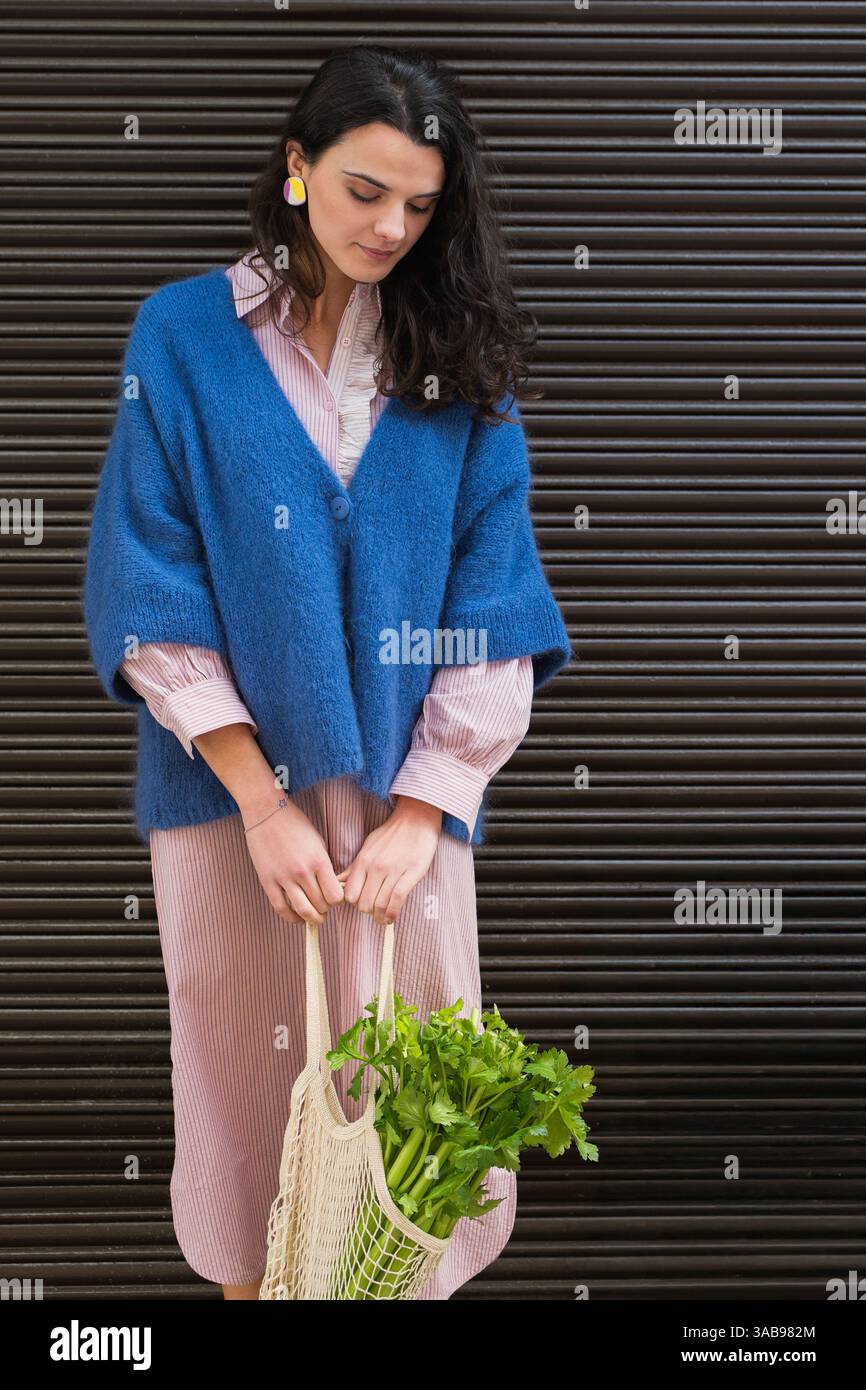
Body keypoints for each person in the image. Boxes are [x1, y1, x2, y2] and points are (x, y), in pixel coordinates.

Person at [82, 43, 572, 1300]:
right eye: (364, 190)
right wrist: (259, 804)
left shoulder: (456, 352)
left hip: (409, 808)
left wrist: (423, 813)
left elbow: (493, 605)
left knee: (415, 1133)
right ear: (296, 170)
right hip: (229, 805)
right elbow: (150, 579)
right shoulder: (184, 333)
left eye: (419, 204)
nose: (392, 227)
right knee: (252, 1107)